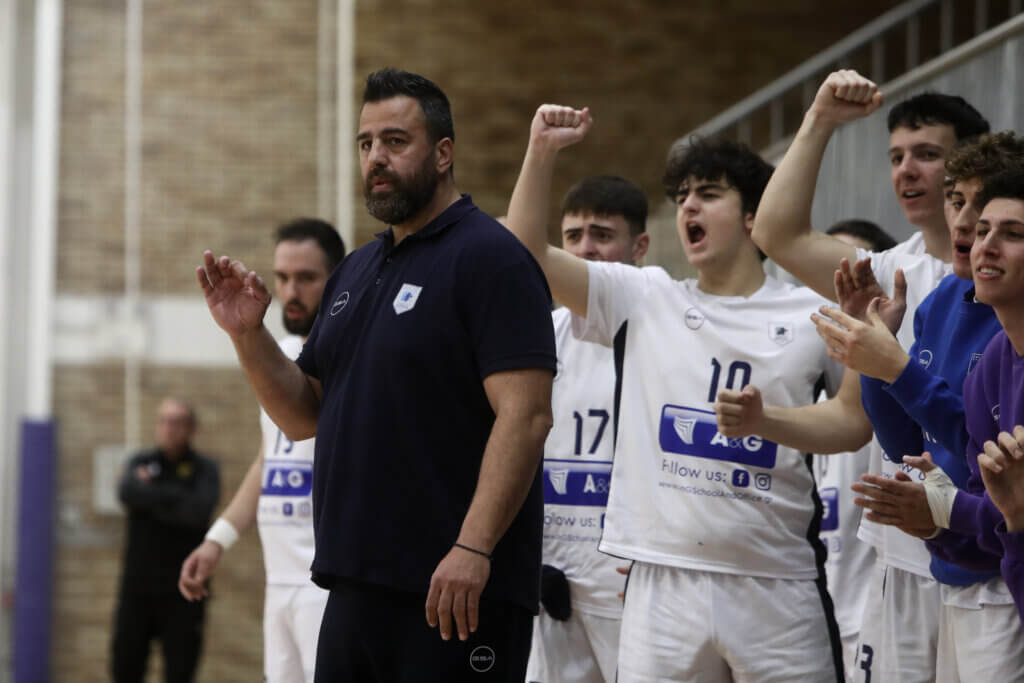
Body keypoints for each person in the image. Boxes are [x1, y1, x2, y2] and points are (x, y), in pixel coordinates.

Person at [196, 68, 556, 681]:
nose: (376, 159)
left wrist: (473, 546)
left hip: (457, 593)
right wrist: (248, 335)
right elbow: (302, 414)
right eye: (366, 144)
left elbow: (526, 416)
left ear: (443, 154)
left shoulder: (492, 258)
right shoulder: (356, 270)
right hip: (354, 588)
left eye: (395, 141)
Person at [506, 104, 867, 682]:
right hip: (662, 584)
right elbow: (525, 253)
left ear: (753, 216)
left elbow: (852, 424)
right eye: (682, 197)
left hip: (776, 582)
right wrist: (541, 150)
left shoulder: (812, 313)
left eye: (709, 194)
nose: (689, 207)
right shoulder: (645, 296)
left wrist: (767, 423)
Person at [751, 68, 988, 682]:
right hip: (906, 552)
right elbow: (774, 233)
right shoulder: (887, 273)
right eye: (895, 157)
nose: (906, 171)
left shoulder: (1002, 273)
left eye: (926, 155)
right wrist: (820, 118)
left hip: (985, 546)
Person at [809, 133, 1024, 681]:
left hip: (993, 565)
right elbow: (903, 443)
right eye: (958, 203)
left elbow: (985, 461)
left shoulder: (1006, 325)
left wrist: (897, 368)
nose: (967, 226)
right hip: (945, 552)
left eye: (988, 213)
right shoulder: (944, 303)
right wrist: (877, 357)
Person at [179, 219, 344, 683]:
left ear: (337, 279)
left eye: (306, 278)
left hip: (327, 581)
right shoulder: (278, 355)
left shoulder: (350, 355)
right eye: (283, 277)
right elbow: (269, 459)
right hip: (279, 577)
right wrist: (218, 539)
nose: (291, 291)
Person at [526, 176, 649, 683]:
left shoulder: (657, 329)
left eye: (602, 235)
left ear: (640, 247)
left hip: (629, 577)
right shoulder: (539, 335)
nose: (585, 249)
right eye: (573, 236)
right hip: (553, 575)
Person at [810, 220, 896, 682]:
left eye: (853, 277)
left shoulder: (886, 392)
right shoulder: (807, 392)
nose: (840, 293)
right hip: (810, 609)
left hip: (869, 614)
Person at [111, 398, 220, 683]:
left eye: (177, 422)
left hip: (185, 591)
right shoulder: (140, 462)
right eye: (164, 421)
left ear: (192, 429)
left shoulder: (205, 469)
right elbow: (126, 493)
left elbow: (197, 511)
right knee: (125, 668)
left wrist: (151, 496)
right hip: (137, 589)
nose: (169, 428)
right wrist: (176, 497)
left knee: (181, 672)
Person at [962, 167, 1024, 624]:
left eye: (1013, 234)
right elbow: (993, 521)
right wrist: (934, 516)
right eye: (982, 230)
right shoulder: (991, 365)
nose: (987, 245)